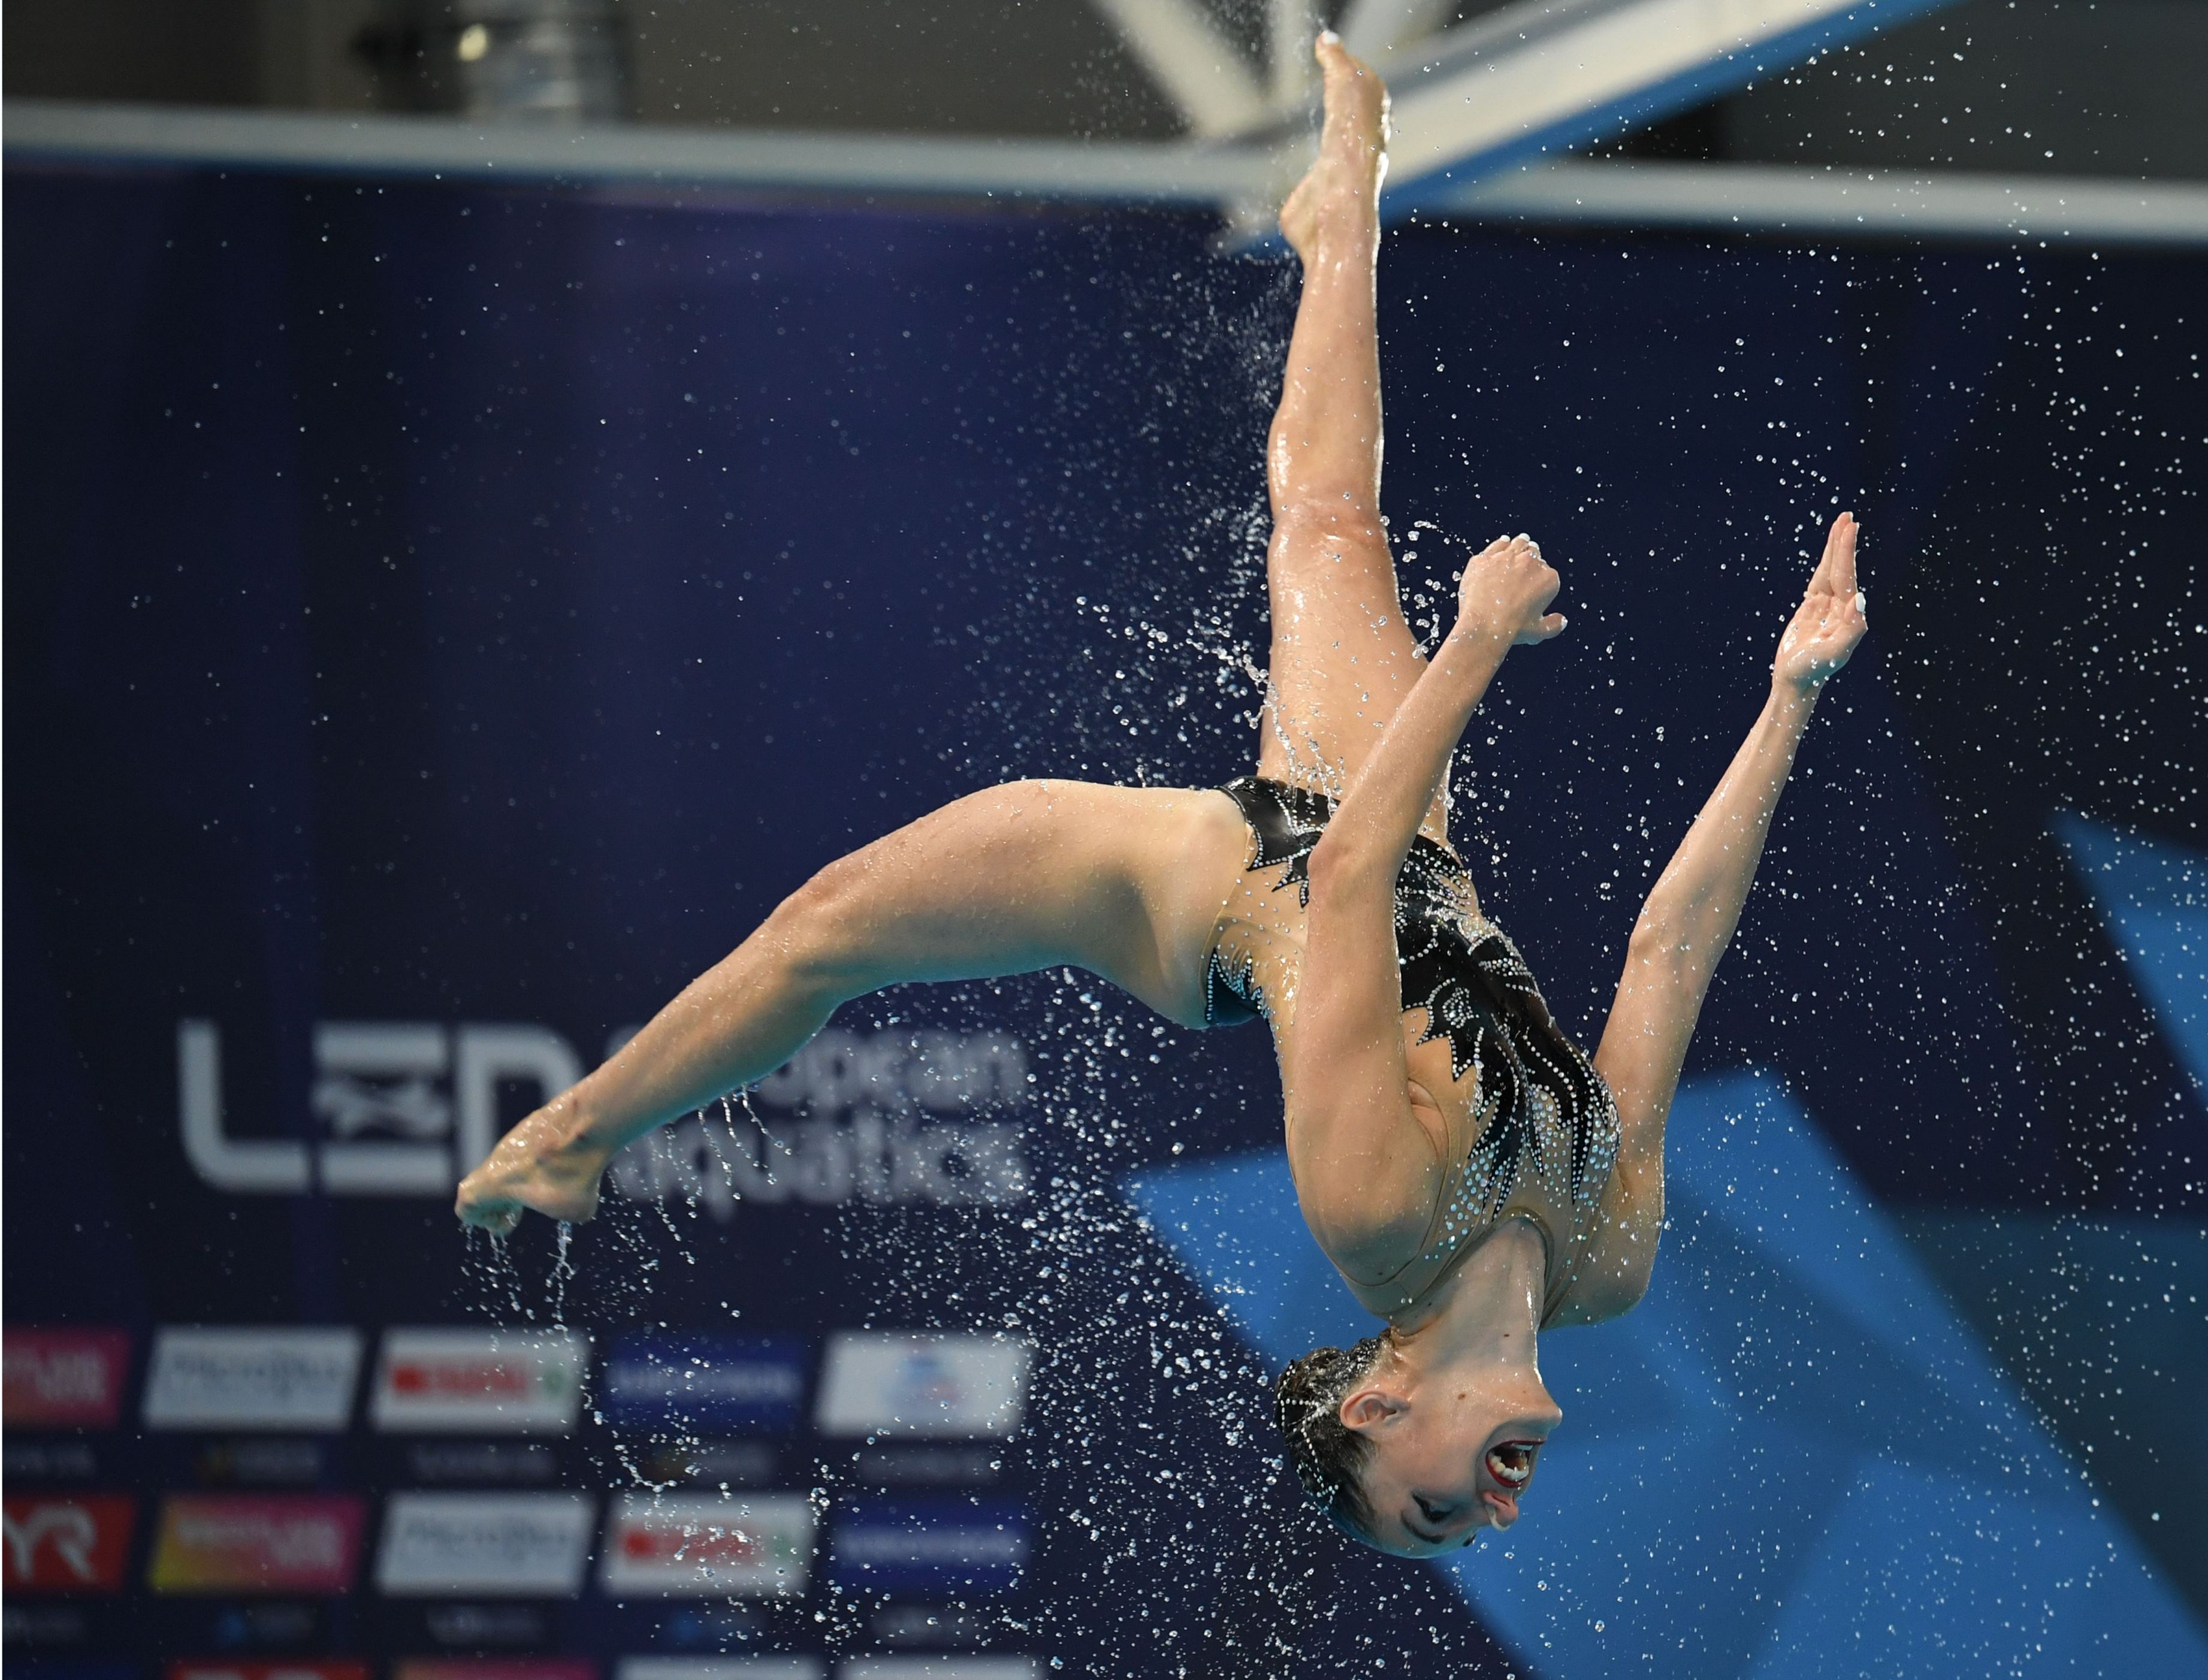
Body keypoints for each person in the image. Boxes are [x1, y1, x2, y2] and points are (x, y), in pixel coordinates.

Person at [455, 32, 1868, 1556]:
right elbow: (1667, 953)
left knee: (827, 929)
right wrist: (1787, 697)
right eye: (1457, 1537)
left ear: (1378, 1410)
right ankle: (1346, 213)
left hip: (1212, 885)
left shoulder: (1379, 1216)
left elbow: (1332, 889)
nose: (1485, 1519)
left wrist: (1468, 655)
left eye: (1428, 1515)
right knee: (1331, 523)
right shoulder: (1608, 1260)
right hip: (1399, 831)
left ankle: (577, 1132)